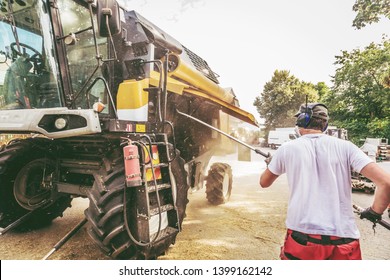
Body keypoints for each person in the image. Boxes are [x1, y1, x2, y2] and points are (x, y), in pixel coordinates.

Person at [260, 102, 390, 260]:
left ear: (300, 122)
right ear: (325, 124)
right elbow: (386, 182)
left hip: (302, 242)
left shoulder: (287, 149)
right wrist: (374, 212)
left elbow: (264, 182)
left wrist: (273, 163)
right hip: (343, 243)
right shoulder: (347, 147)